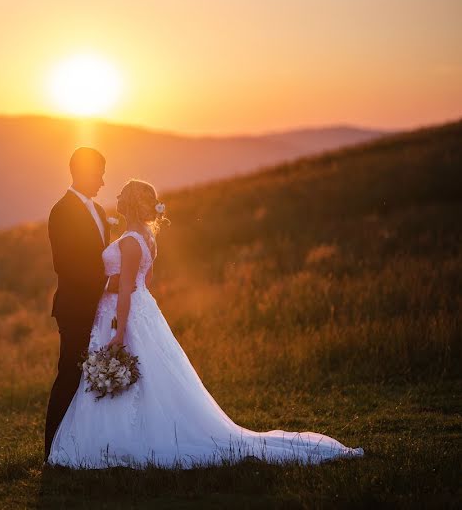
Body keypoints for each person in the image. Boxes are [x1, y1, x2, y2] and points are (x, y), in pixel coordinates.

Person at [47, 178, 364, 468]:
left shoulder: (130, 240)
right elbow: (146, 278)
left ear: (129, 202)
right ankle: (129, 431)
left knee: (132, 373)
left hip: (123, 312)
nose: (115, 196)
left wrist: (118, 331)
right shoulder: (146, 238)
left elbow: (127, 287)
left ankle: (120, 438)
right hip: (143, 310)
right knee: (147, 377)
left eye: (121, 194)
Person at [44, 147, 112, 460]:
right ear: (82, 172)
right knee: (70, 374)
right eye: (98, 172)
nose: (102, 179)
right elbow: (66, 265)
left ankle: (84, 446)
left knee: (94, 376)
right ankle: (52, 451)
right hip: (75, 308)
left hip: (99, 308)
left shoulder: (99, 211)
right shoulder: (62, 211)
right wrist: (103, 285)